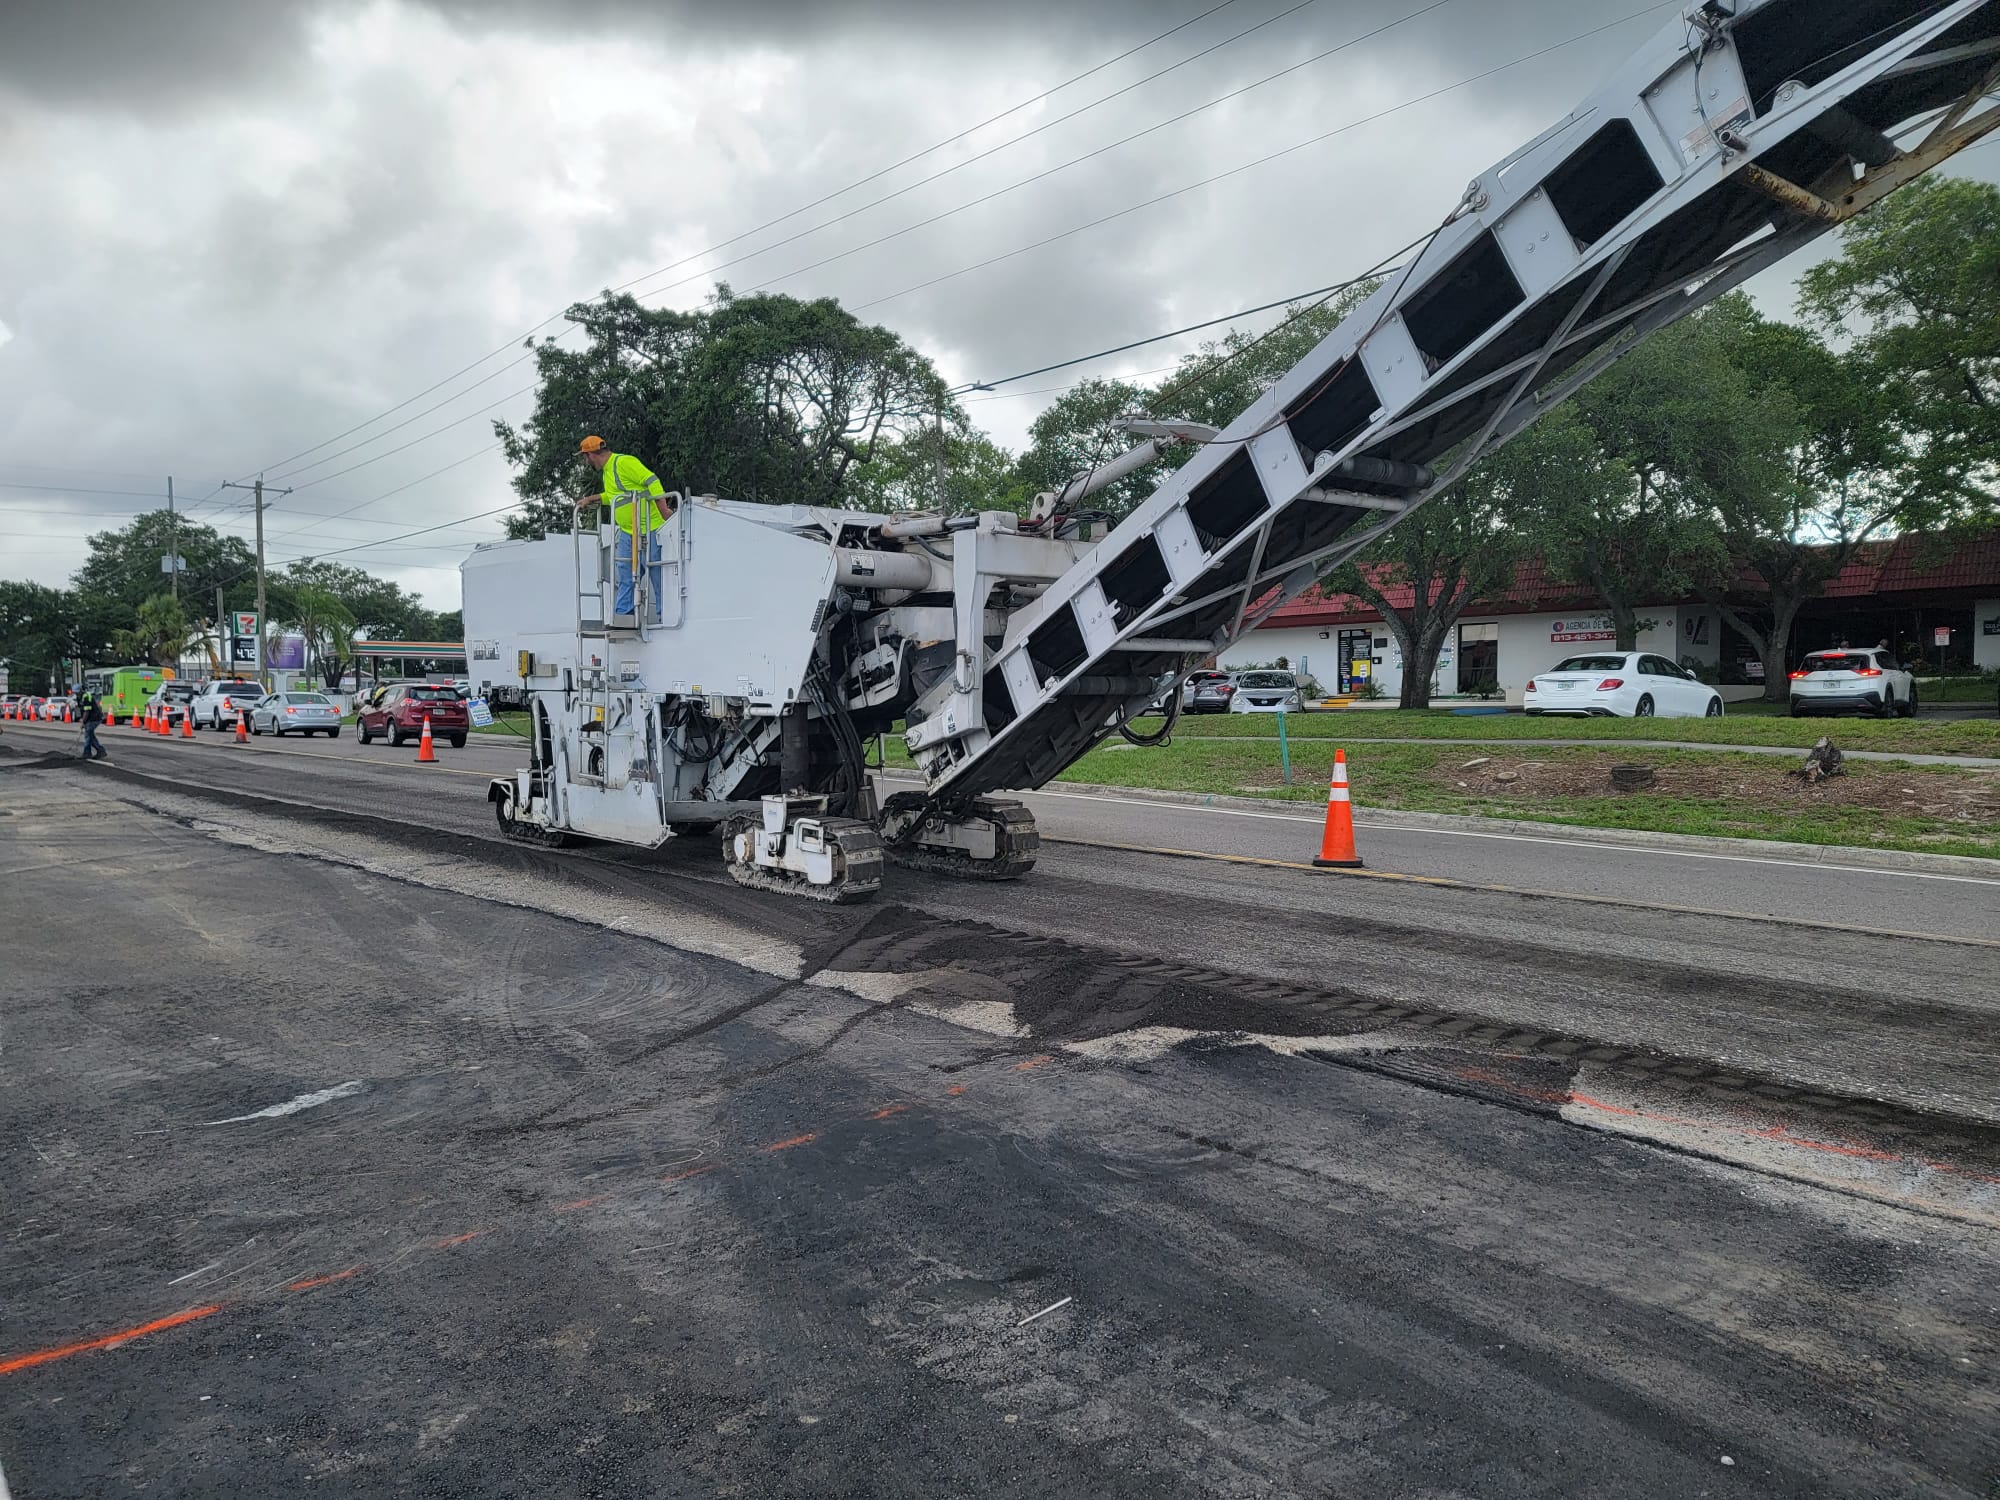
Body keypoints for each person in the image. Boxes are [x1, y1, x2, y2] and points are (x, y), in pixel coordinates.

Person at [575, 435, 676, 621]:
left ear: (590, 455)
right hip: (628, 531)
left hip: (649, 528)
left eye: (585, 457)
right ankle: (623, 618)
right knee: (625, 573)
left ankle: (667, 616)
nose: (586, 462)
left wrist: (663, 510)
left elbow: (652, 480)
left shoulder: (623, 462)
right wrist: (592, 498)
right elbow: (615, 496)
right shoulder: (607, 471)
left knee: (657, 573)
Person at [79, 692, 108, 762]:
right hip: (91, 719)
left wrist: (83, 722)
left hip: (94, 719)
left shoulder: (86, 697)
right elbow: (83, 710)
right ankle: (100, 751)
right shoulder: (81, 697)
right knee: (90, 736)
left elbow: (87, 711)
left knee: (88, 735)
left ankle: (87, 753)